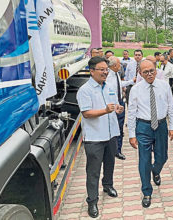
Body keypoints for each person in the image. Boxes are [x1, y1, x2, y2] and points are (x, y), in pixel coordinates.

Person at [76, 56, 124, 218]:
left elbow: (113, 105)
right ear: (92, 71)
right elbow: (87, 113)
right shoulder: (85, 90)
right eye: (102, 69)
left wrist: (117, 108)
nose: (105, 72)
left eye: (106, 69)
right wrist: (105, 110)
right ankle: (92, 201)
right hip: (95, 137)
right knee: (93, 171)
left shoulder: (109, 86)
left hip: (111, 134)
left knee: (110, 164)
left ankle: (108, 185)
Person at [127, 60, 173, 208]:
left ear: (156, 71)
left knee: (162, 157)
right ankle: (147, 192)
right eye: (145, 72)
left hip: (161, 125)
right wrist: (131, 134)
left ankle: (155, 171)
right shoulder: (135, 89)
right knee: (144, 160)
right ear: (140, 74)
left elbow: (171, 107)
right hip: (143, 127)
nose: (149, 74)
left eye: (151, 71)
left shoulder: (164, 86)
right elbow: (131, 113)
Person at [106, 56, 127, 160]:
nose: (120, 66)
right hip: (114, 107)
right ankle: (115, 150)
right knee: (115, 129)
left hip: (120, 104)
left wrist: (131, 81)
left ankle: (118, 150)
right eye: (119, 64)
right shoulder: (108, 77)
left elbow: (120, 85)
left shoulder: (116, 74)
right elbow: (110, 93)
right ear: (114, 65)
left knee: (120, 128)